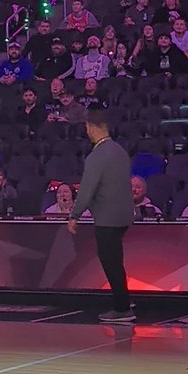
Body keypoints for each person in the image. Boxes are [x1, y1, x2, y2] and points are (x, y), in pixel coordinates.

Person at [70, 114, 135, 324]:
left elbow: (87, 189)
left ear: (92, 127)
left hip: (107, 217)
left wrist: (75, 215)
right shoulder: (120, 151)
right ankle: (123, 298)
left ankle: (122, 308)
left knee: (111, 261)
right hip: (124, 215)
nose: (87, 132)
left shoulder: (97, 156)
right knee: (116, 260)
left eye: (87, 128)